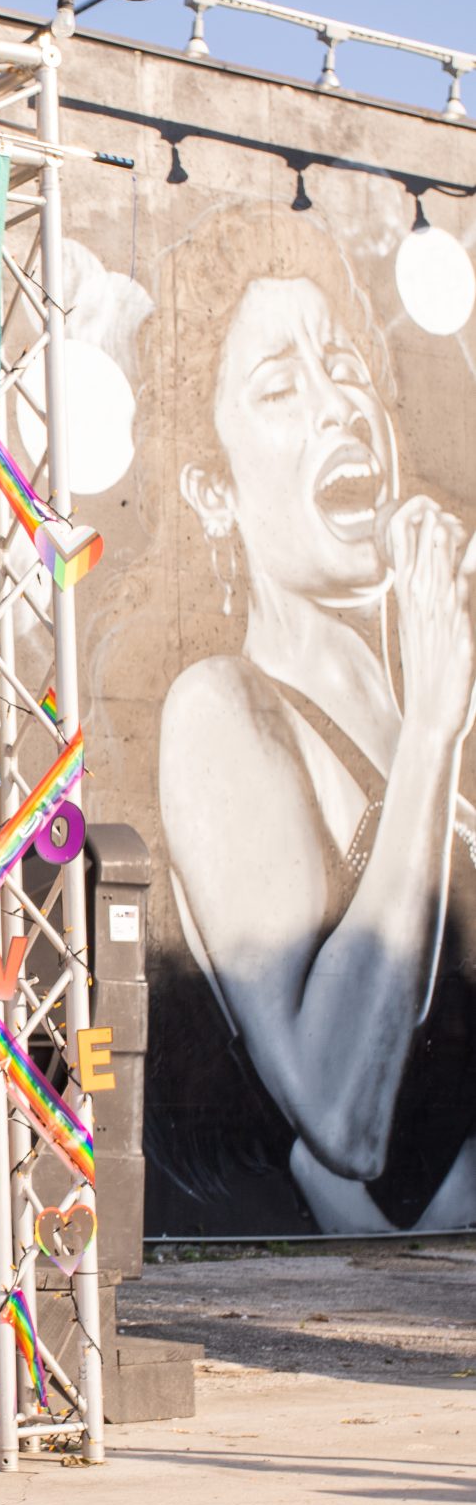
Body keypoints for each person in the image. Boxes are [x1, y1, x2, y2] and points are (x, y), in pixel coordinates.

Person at [158, 206, 476, 1233]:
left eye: (344, 368)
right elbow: (342, 1114)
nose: (339, 404)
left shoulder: (431, 672)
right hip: (368, 1311)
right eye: (280, 387)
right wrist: (431, 731)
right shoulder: (221, 710)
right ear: (213, 491)